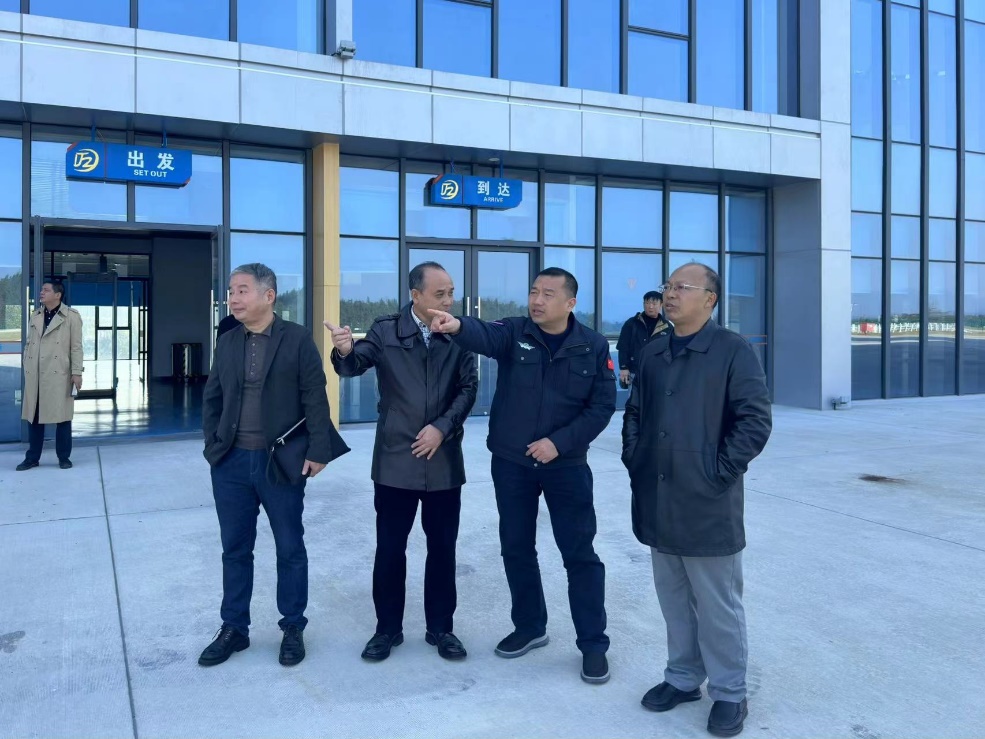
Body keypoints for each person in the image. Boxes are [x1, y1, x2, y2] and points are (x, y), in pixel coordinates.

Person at [428, 267, 616, 684]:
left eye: (548, 294)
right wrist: (456, 325)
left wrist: (559, 443)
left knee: (579, 554)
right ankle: (530, 626)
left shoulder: (592, 345)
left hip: (566, 467)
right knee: (516, 547)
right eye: (533, 291)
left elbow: (602, 407)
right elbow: (484, 335)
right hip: (512, 463)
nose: (537, 300)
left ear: (570, 303)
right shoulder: (515, 332)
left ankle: (593, 644)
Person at [621, 263, 772, 737]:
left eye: (682, 287)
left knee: (717, 604)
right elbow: (635, 411)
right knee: (673, 599)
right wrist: (635, 457)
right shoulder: (653, 351)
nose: (670, 294)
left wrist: (717, 473)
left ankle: (729, 692)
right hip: (657, 494)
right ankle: (683, 677)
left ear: (710, 299)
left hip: (707, 500)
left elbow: (754, 421)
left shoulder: (732, 350)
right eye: (667, 286)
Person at [325, 262, 478, 662]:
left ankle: (441, 628)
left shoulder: (458, 333)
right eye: (440, 294)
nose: (449, 301)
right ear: (415, 295)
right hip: (396, 459)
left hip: (443, 460)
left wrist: (441, 428)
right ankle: (386, 629)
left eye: (451, 293)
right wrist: (344, 349)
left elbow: (468, 387)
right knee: (390, 549)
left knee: (442, 549)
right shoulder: (386, 330)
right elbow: (354, 364)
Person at [199, 263, 345, 669]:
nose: (233, 298)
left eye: (242, 290)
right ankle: (234, 628)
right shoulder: (227, 340)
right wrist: (213, 447)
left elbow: (315, 397)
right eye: (231, 291)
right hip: (230, 464)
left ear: (269, 295)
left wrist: (318, 451)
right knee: (235, 549)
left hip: (279, 463)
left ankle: (293, 626)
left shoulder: (296, 339)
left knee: (289, 547)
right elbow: (212, 397)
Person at [18, 281, 83, 471]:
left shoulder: (71, 316)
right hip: (36, 373)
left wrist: (76, 372)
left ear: (58, 295)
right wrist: (26, 362)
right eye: (42, 290)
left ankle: (64, 457)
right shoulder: (36, 315)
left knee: (62, 417)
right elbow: (29, 343)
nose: (41, 292)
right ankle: (32, 458)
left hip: (59, 373)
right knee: (34, 416)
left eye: (46, 290)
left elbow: (76, 347)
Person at [616, 290, 670, 389]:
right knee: (634, 398)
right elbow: (623, 347)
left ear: (661, 304)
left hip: (659, 373)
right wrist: (623, 368)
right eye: (647, 303)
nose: (650, 306)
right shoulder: (632, 323)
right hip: (634, 371)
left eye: (654, 303)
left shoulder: (667, 326)